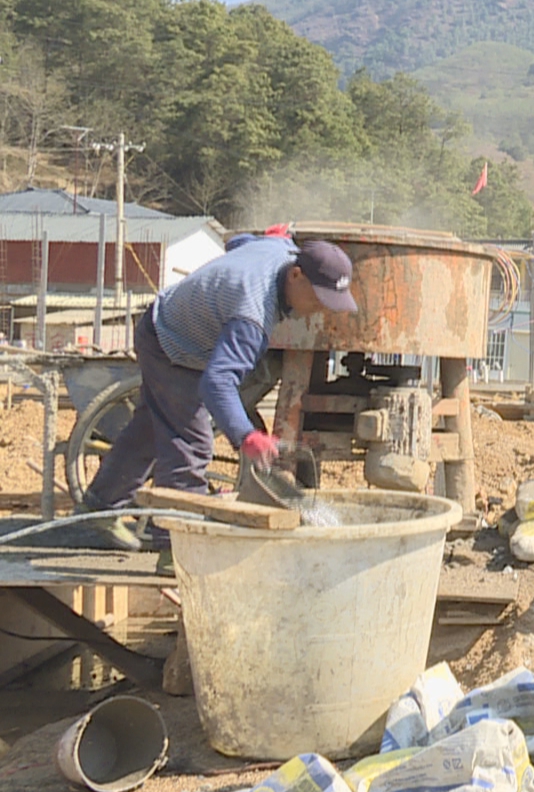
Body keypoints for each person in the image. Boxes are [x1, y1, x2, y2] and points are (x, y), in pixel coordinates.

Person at [83, 234, 359, 567]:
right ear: (296, 275)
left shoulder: (279, 247)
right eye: (318, 299)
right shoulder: (252, 315)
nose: (321, 309)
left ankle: (99, 509)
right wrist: (247, 435)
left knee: (151, 428)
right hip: (174, 347)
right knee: (191, 443)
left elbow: (237, 242)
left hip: (165, 321)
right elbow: (215, 384)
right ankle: (178, 550)